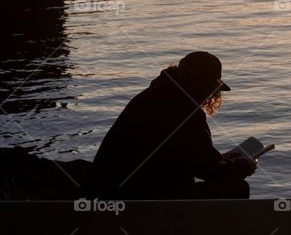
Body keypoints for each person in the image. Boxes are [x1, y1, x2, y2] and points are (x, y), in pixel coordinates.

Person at [90, 51, 257, 199]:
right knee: (236, 188)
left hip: (110, 187)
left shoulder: (153, 95)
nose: (212, 95)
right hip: (139, 195)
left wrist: (221, 159)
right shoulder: (185, 109)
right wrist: (244, 167)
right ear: (200, 83)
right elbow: (208, 171)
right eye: (212, 88)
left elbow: (190, 157)